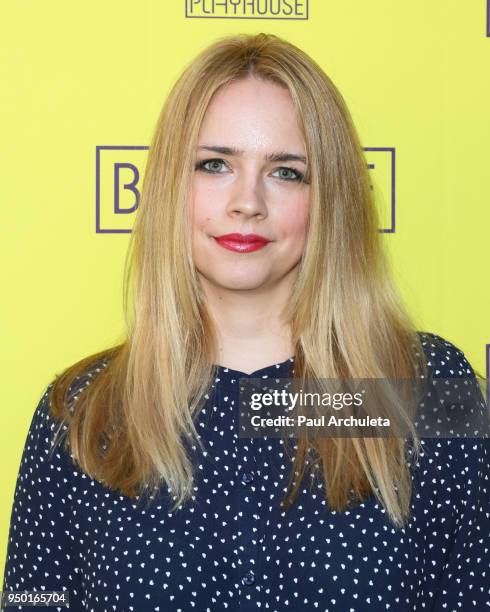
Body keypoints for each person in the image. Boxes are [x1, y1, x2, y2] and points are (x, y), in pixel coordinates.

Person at [2, 33, 489, 612]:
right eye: (215, 164)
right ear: (169, 189)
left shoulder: (423, 388)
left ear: (329, 197)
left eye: (286, 172)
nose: (247, 201)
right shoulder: (85, 411)